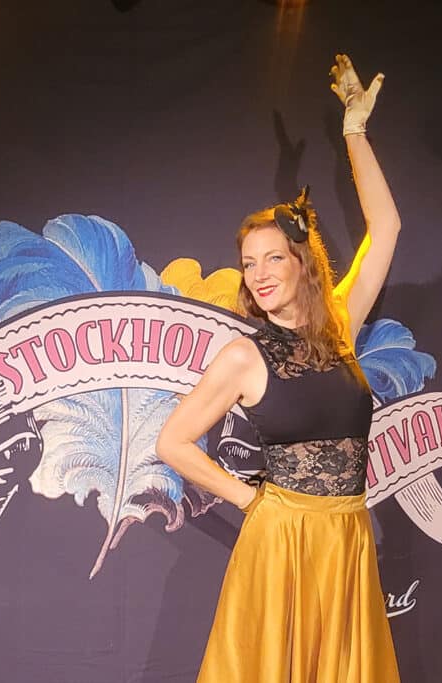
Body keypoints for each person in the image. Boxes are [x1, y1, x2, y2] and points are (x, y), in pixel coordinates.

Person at [155, 54, 401, 682]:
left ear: (302, 263)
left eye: (272, 258)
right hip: (281, 544)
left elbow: (386, 227)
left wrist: (354, 131)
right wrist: (251, 500)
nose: (259, 274)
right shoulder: (244, 356)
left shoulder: (340, 322)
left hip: (346, 537)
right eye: (249, 263)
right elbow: (172, 442)